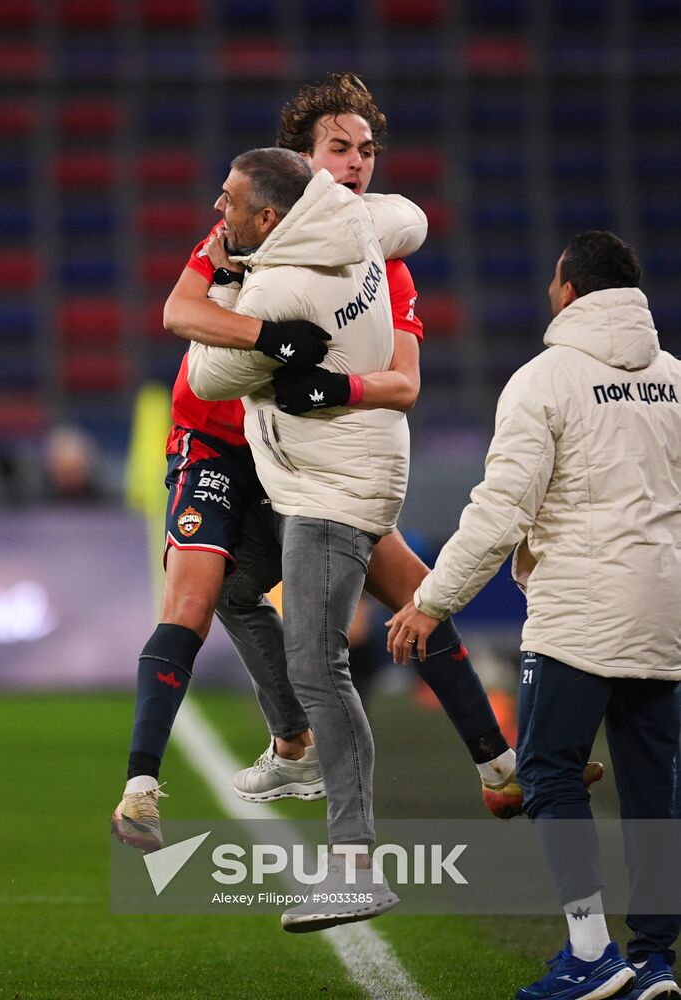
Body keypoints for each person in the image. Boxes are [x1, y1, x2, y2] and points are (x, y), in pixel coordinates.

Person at [111, 72, 524, 863]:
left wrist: (338, 384)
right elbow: (178, 313)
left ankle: (497, 765)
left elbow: (403, 381)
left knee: (414, 591)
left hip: (307, 460)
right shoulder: (242, 230)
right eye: (340, 147)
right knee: (202, 591)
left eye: (368, 150)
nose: (359, 163)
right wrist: (270, 341)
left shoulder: (381, 259)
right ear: (299, 163)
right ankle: (158, 782)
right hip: (222, 443)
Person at [387, 231, 681, 1000]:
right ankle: (653, 958)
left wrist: (431, 599)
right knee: (654, 787)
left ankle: (590, 954)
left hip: (580, 613)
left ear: (568, 290)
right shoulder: (676, 380)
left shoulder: (543, 381)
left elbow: (499, 513)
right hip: (663, 612)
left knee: (548, 771)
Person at [187, 144, 427, 929]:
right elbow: (412, 220)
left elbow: (204, 378)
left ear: (266, 217)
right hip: (326, 472)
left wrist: (230, 286)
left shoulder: (283, 285)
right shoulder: (357, 220)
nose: (214, 213)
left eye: (227, 201)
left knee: (319, 663)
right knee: (229, 582)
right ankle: (294, 741)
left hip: (334, 487)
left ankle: (354, 863)